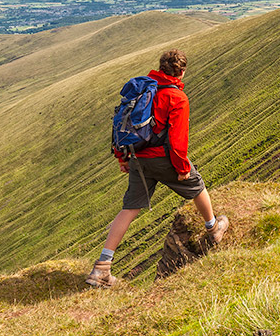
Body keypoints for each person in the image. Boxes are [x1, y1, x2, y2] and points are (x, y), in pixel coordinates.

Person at [86, 49, 228, 288]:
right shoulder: (177, 98)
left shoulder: (143, 89)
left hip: (137, 158)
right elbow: (178, 138)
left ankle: (102, 268)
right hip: (163, 158)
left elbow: (122, 123)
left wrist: (122, 157)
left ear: (161, 68)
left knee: (129, 209)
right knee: (198, 186)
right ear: (181, 72)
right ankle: (214, 228)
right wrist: (182, 167)